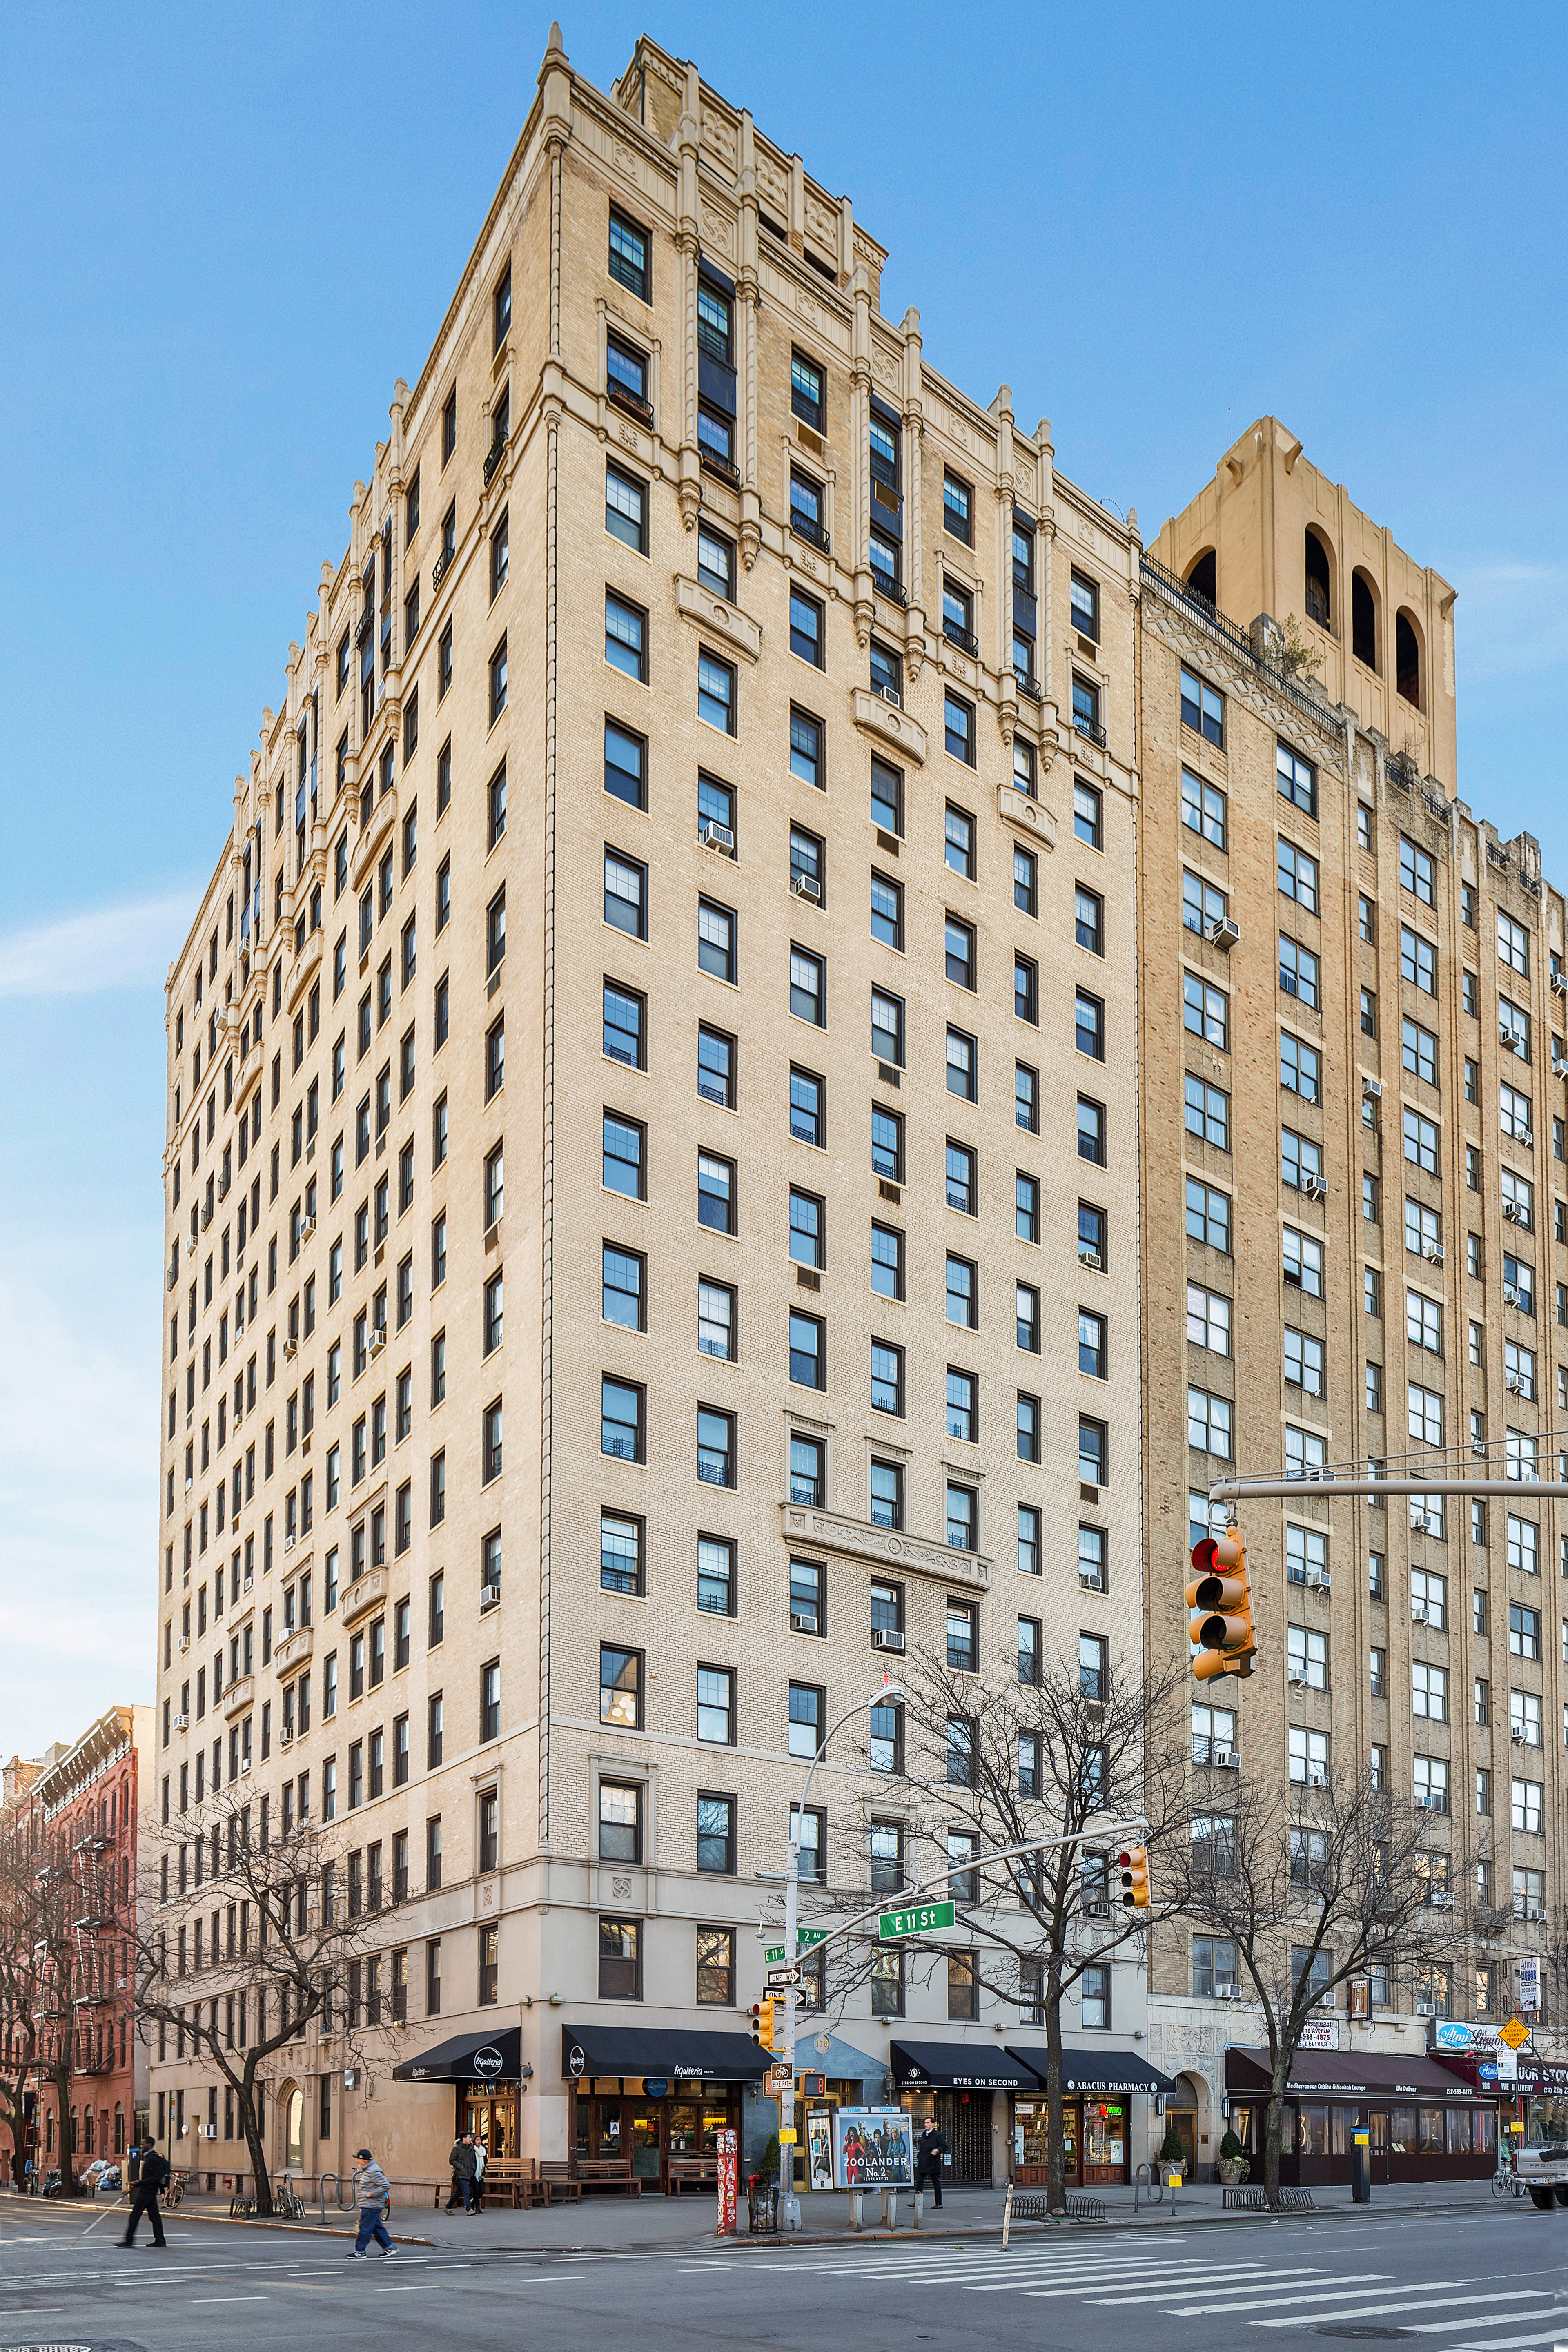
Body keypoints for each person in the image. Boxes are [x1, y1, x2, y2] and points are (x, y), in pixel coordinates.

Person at [347, 2147, 397, 2258]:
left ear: (364, 2160)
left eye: (358, 2160)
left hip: (372, 2205)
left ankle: (360, 2252)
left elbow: (386, 2185)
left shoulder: (373, 2171)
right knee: (377, 2228)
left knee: (365, 2228)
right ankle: (390, 2248)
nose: (357, 2161)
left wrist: (372, 2194)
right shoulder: (368, 2170)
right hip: (369, 2204)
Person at [121, 2142, 170, 2247]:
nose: (142, 2146)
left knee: (135, 2216)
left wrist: (139, 2183)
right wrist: (138, 2185)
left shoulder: (152, 2159)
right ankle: (160, 2240)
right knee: (155, 2218)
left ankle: (129, 2241)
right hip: (150, 2192)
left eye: (144, 2144)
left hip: (147, 2192)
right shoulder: (149, 2158)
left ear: (150, 2145)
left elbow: (157, 2177)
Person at [913, 2120, 949, 2211]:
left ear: (933, 2124)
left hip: (933, 2162)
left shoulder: (937, 2135)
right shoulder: (924, 2134)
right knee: (920, 2181)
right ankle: (917, 2201)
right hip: (923, 2161)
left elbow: (945, 2146)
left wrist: (937, 2150)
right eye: (925, 2123)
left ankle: (939, 2203)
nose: (926, 2125)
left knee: (936, 2182)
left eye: (928, 2123)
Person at [445, 2133, 476, 2213]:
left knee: (459, 2192)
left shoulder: (471, 2149)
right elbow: (452, 2160)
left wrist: (473, 2169)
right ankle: (469, 2209)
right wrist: (461, 2167)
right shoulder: (457, 2149)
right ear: (464, 2139)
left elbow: (473, 2160)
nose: (471, 2139)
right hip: (460, 2174)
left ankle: (448, 2207)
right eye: (469, 2138)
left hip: (469, 2173)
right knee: (466, 2191)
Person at [469, 2134, 486, 2214]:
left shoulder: (483, 2150)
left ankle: (473, 2201)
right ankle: (477, 2207)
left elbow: (486, 2160)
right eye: (477, 2140)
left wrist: (483, 2167)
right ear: (474, 2142)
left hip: (481, 2174)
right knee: (476, 2189)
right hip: (473, 2174)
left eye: (480, 2140)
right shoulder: (472, 2150)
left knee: (482, 2191)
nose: (479, 2142)